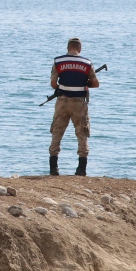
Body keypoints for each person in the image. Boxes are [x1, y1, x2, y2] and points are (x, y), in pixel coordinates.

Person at [49, 37, 98, 176]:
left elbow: (53, 84)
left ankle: (54, 169)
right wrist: (84, 83)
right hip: (79, 102)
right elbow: (96, 83)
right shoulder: (87, 63)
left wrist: (61, 87)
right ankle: (81, 169)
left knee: (57, 132)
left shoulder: (58, 61)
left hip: (62, 101)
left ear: (67, 48)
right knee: (82, 133)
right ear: (80, 49)